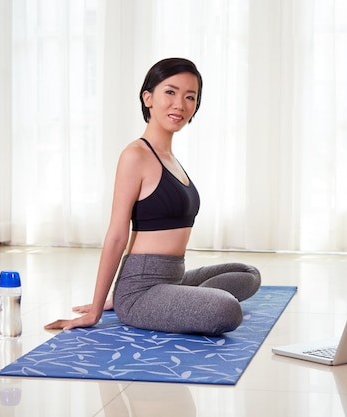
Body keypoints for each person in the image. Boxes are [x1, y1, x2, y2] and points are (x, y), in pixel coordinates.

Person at [45, 58, 261, 336]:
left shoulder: (170, 158)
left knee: (249, 274)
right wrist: (97, 309)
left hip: (173, 277)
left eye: (190, 96)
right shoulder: (135, 156)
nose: (180, 104)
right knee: (226, 310)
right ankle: (165, 304)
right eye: (170, 92)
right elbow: (116, 235)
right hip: (140, 289)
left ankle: (178, 301)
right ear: (148, 98)